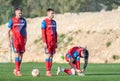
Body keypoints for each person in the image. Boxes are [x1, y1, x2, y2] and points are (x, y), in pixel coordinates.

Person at [8, 8, 27, 76]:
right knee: (17, 54)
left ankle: (16, 69)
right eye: (19, 13)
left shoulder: (24, 20)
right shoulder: (12, 20)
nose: (20, 14)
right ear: (16, 13)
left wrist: (26, 38)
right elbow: (8, 31)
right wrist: (9, 41)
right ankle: (18, 71)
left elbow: (25, 30)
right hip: (15, 40)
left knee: (21, 56)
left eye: (21, 13)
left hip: (22, 40)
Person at [41, 8, 57, 76]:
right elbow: (43, 32)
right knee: (48, 55)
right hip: (48, 42)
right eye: (51, 13)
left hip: (53, 42)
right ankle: (47, 71)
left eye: (53, 13)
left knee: (51, 56)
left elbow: (55, 32)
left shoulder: (54, 22)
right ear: (48, 14)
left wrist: (56, 42)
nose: (53, 14)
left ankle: (49, 70)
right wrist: (44, 42)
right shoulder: (44, 22)